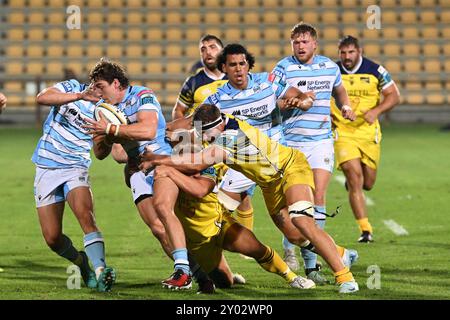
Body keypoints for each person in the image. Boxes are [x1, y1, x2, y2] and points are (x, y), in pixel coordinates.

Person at [140, 103, 360, 294]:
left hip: (290, 167)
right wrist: (166, 131)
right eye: (202, 134)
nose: (205, 139)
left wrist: (156, 159)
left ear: (217, 126)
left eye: (207, 134)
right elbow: (180, 125)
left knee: (301, 221)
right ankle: (342, 254)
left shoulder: (229, 137)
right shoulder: (216, 121)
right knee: (294, 236)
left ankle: (345, 278)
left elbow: (197, 163)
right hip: (269, 183)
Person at [84, 58, 194, 290]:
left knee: (171, 213)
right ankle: (186, 271)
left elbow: (148, 129)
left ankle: (201, 270)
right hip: (136, 168)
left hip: (161, 163)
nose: (98, 93)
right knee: (156, 227)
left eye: (101, 87)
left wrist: (112, 129)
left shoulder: (142, 95)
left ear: (116, 83)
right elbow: (102, 153)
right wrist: (107, 136)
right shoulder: (101, 110)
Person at [202, 43, 316, 244]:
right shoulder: (217, 100)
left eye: (242, 63)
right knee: (213, 216)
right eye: (233, 65)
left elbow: (301, 97)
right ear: (224, 68)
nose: (238, 69)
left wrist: (302, 102)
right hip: (243, 162)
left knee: (295, 231)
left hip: (276, 160)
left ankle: (328, 259)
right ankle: (213, 265)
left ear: (248, 65)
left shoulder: (267, 82)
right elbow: (195, 123)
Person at [273, 22, 356, 284]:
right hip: (290, 144)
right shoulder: (282, 68)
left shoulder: (329, 67)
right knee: (295, 205)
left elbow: (339, 88)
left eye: (305, 41)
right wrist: (290, 102)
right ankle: (303, 253)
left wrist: (345, 105)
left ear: (314, 44)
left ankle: (313, 266)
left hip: (320, 141)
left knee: (318, 197)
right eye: (296, 42)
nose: (300, 46)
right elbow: (274, 101)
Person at [151, 163, 316, 290]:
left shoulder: (206, 165)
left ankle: (292, 277)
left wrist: (170, 170)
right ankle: (228, 276)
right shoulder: (167, 172)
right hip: (198, 241)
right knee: (224, 283)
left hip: (221, 223)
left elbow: (200, 190)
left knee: (256, 249)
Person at [32, 79, 116, 292]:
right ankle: (81, 263)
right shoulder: (72, 88)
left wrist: (107, 138)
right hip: (46, 167)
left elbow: (100, 153)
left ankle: (101, 272)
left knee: (86, 216)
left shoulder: (104, 111)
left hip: (75, 167)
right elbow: (42, 98)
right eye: (96, 82)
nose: (98, 88)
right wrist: (80, 96)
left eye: (103, 85)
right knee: (52, 238)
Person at [331, 36, 400, 243]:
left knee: (368, 183)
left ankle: (355, 185)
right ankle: (365, 229)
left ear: (359, 51)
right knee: (354, 179)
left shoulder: (375, 70)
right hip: (343, 132)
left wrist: (376, 111)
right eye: (343, 53)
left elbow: (394, 96)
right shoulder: (332, 71)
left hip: (368, 132)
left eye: (350, 52)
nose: (346, 57)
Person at [172, 34, 227, 120]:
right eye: (203, 49)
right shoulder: (193, 82)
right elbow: (178, 110)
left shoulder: (235, 78)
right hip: (199, 129)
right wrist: (182, 129)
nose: (208, 52)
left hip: (230, 131)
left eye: (212, 47)